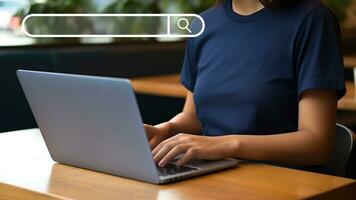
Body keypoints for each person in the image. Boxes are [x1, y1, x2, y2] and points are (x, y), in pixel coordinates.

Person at [145, 0, 346, 168]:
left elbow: (316, 144)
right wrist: (167, 130)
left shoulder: (313, 20)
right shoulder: (203, 24)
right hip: (210, 176)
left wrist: (226, 145)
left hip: (278, 181)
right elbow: (193, 117)